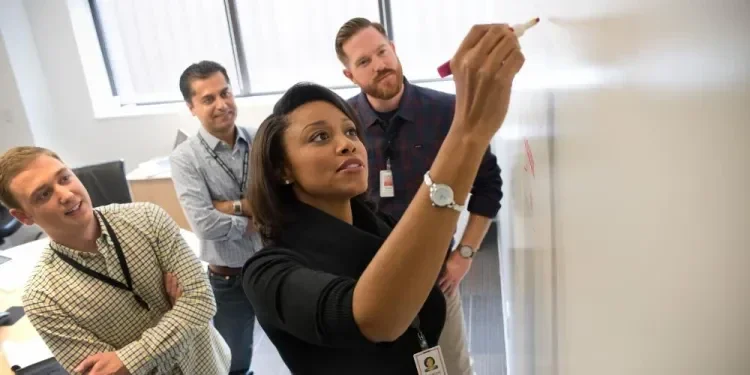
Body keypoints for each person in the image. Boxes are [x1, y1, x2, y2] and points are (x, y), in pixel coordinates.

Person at [242, 23, 524, 374]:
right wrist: (467, 133)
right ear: (282, 168)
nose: (346, 143)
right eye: (319, 137)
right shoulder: (267, 272)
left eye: (349, 131)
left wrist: (462, 253)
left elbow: (487, 187)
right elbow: (375, 318)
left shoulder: (379, 226)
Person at [334, 17, 505, 374]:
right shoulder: (342, 124)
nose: (379, 65)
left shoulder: (448, 113)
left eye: (382, 52)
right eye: (364, 61)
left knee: (452, 368)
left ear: (394, 50)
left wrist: (466, 254)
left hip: (436, 279)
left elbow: (488, 186)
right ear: (350, 75)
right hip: (366, 282)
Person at [0, 146, 230, 375]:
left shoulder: (149, 219)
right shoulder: (43, 299)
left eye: (64, 178)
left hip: (208, 366)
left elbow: (201, 301)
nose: (67, 195)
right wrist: (178, 318)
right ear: (24, 216)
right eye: (44, 194)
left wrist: (129, 359)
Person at [170, 60, 260, 375]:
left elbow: (282, 200)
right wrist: (254, 213)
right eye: (208, 99)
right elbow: (204, 225)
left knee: (301, 348)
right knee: (234, 364)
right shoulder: (184, 158)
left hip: (276, 265)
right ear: (191, 107)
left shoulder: (260, 139)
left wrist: (228, 206)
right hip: (228, 278)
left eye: (226, 93)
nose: (222, 105)